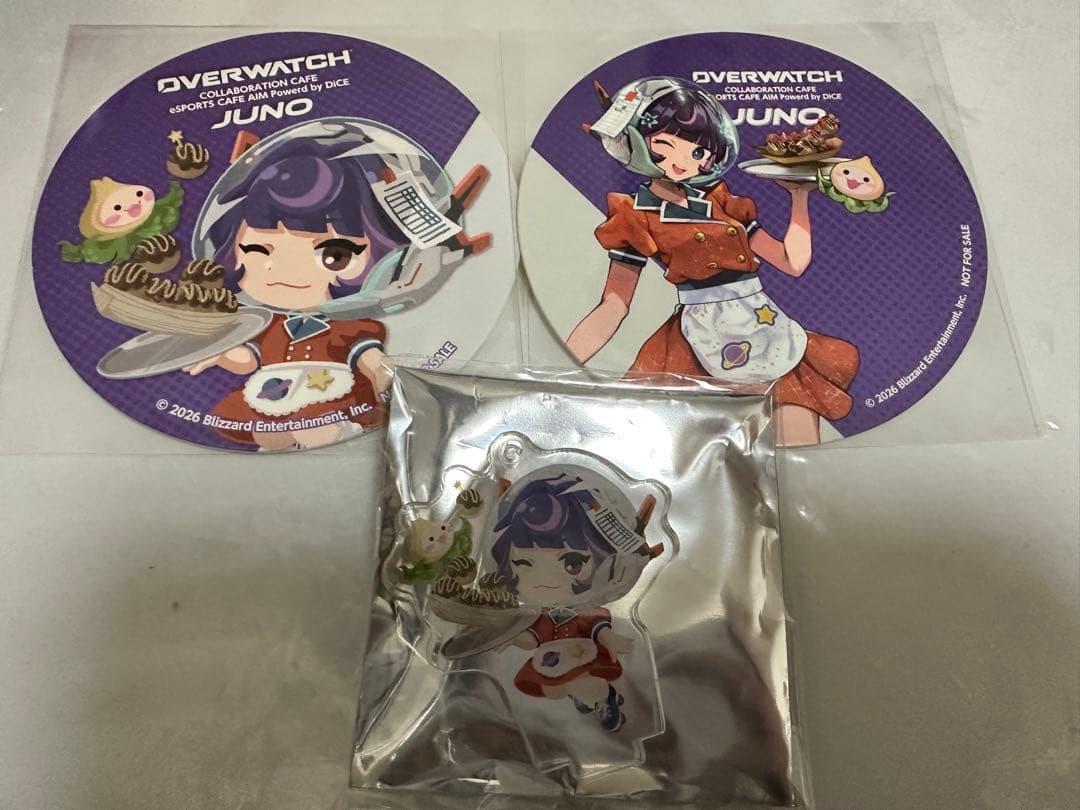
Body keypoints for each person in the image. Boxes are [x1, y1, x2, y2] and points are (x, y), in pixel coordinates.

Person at [567, 77, 859, 446]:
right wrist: (562, 364)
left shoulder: (720, 201)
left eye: (698, 152)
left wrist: (799, 197)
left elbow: (792, 262)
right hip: (698, 338)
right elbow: (614, 305)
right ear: (636, 143)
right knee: (693, 449)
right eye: (665, 145)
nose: (683, 161)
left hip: (765, 326)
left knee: (799, 438)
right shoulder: (635, 216)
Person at [184, 125, 413, 450]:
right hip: (276, 396)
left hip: (334, 398)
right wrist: (219, 354)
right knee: (266, 432)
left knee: (315, 429)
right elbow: (249, 360)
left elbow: (369, 358)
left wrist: (383, 374)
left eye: (334, 255)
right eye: (259, 250)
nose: (290, 271)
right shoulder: (267, 323)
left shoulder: (350, 324)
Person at [491, 474, 658, 732]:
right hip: (553, 660)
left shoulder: (585, 605)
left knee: (578, 684)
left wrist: (609, 638)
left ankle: (602, 697)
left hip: (584, 654)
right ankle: (585, 693)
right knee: (550, 688)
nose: (545, 579)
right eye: (523, 563)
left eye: (572, 564)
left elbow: (596, 625)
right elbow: (532, 639)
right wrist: (510, 637)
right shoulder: (541, 611)